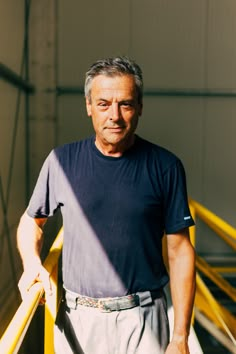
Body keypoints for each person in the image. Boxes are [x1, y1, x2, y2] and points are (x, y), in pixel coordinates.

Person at [17, 56, 196, 354]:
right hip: (77, 318)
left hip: (144, 319)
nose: (115, 115)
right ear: (89, 106)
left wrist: (180, 336)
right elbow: (31, 222)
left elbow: (179, 252)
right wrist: (32, 264)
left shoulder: (166, 167)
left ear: (139, 107)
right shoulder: (61, 162)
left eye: (125, 104)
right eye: (103, 104)